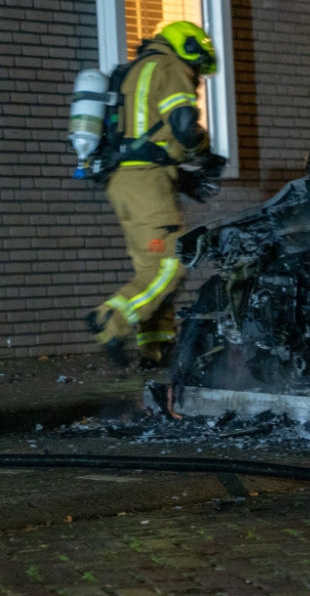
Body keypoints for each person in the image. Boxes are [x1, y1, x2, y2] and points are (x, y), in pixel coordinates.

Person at [87, 21, 226, 370]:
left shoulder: (138, 70)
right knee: (170, 265)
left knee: (152, 267)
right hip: (145, 181)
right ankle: (111, 319)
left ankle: (155, 348)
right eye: (197, 68)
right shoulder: (170, 66)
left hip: (126, 180)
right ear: (189, 48)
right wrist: (205, 153)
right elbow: (183, 125)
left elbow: (149, 137)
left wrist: (182, 177)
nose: (196, 77)